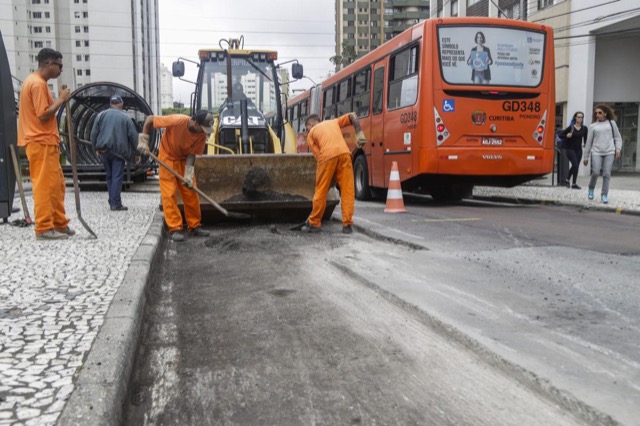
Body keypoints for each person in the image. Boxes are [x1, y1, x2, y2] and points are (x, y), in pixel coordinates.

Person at [17, 48, 73, 240]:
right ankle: (43, 227)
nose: (60, 70)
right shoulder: (38, 84)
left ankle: (58, 222)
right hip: (40, 141)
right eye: (59, 65)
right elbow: (43, 114)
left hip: (46, 141)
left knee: (57, 185)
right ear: (49, 63)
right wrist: (61, 99)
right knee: (45, 186)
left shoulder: (35, 82)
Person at [137, 110, 213, 242]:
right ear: (195, 122)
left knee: (191, 192)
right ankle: (175, 228)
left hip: (184, 160)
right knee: (169, 193)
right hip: (167, 157)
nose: (204, 132)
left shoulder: (201, 134)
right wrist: (144, 140)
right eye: (202, 128)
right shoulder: (178, 120)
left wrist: (188, 174)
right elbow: (149, 119)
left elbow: (192, 154)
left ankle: (194, 226)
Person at [301, 113, 366, 234]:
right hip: (345, 154)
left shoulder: (311, 134)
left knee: (320, 191)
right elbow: (353, 116)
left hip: (327, 157)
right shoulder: (333, 121)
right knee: (347, 191)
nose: (307, 131)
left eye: (307, 128)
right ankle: (347, 225)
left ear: (310, 125)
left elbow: (319, 156)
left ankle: (314, 223)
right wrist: (359, 132)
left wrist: (328, 179)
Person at [90, 95, 139, 211]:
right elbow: (133, 136)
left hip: (103, 151)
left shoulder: (100, 115)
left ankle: (112, 199)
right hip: (118, 152)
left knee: (110, 176)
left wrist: (95, 148)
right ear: (121, 104)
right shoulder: (125, 117)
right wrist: (136, 153)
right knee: (117, 176)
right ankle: (115, 203)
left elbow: (93, 134)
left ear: (111, 104)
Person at [583, 104, 622, 204]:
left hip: (609, 152)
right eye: (596, 113)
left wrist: (618, 149)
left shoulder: (612, 123)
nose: (597, 114)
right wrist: (586, 157)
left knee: (606, 174)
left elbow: (617, 137)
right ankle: (591, 188)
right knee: (595, 172)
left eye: (600, 113)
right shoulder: (593, 126)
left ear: (605, 113)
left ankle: (604, 194)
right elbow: (588, 142)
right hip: (596, 152)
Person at [558, 111, 588, 189]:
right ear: (575, 118)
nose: (580, 119)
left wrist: (585, 144)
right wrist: (566, 135)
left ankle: (574, 184)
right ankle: (567, 179)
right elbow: (560, 135)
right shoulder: (571, 128)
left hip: (579, 150)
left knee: (576, 166)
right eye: (578, 117)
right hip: (570, 149)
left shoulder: (584, 128)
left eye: (582, 117)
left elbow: (585, 139)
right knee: (575, 164)